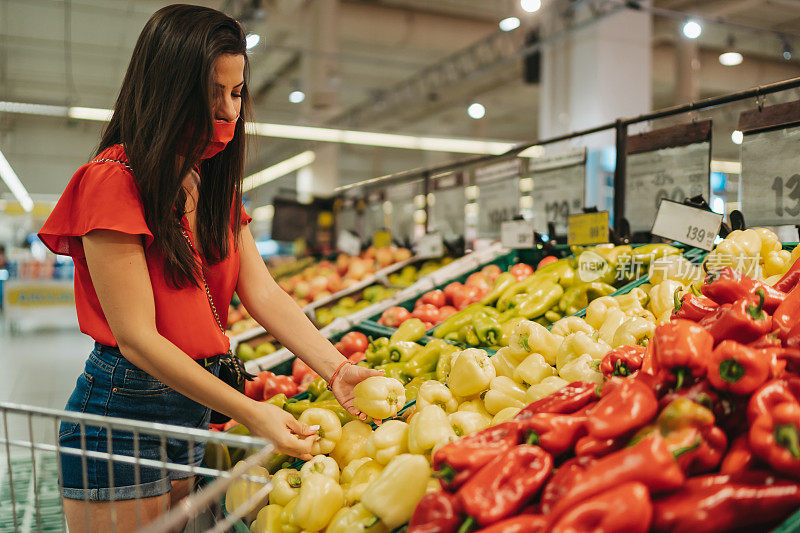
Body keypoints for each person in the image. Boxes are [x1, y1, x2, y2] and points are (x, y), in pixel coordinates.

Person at [38, 5, 380, 532]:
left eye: (237, 93)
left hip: (194, 402)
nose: (227, 112)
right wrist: (252, 412)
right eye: (211, 94)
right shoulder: (113, 181)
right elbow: (137, 339)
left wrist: (335, 369)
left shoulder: (212, 184)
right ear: (168, 91)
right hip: (124, 410)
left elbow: (263, 294)